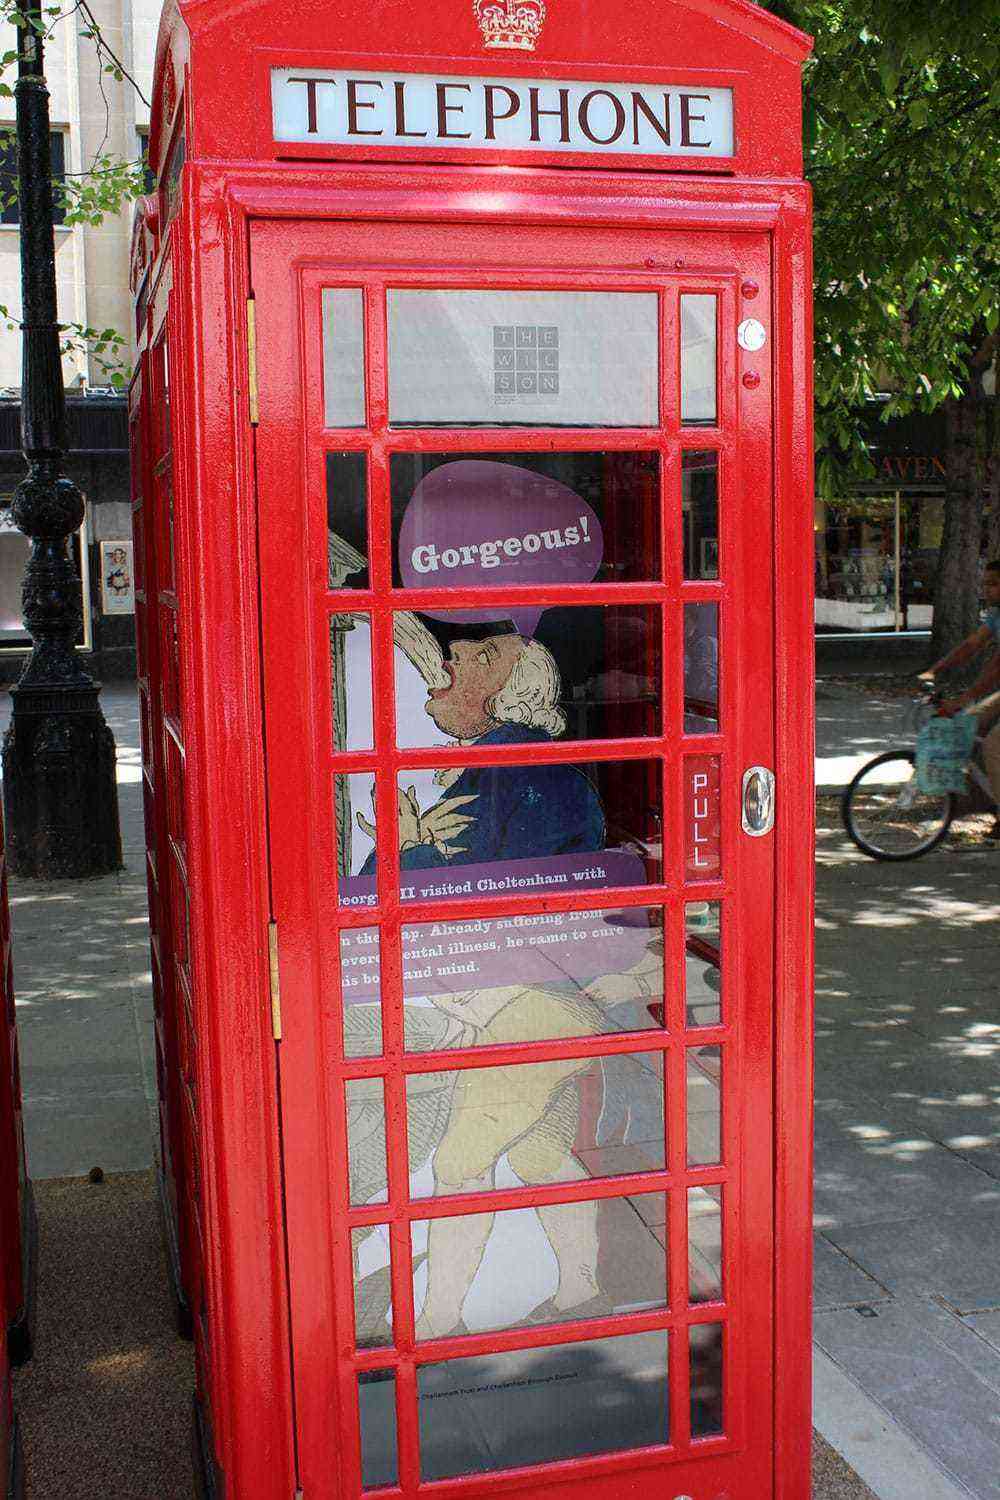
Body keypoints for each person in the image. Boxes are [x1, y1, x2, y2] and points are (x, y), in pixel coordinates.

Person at [358, 631, 606, 870]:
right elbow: (368, 896)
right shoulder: (487, 774)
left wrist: (407, 846)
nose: (457, 647)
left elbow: (494, 890)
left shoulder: (543, 783)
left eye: (485, 657)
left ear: (510, 700)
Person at [921, 558, 1000, 839]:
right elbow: (971, 645)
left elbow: (995, 670)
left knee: (994, 742)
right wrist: (934, 670)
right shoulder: (995, 616)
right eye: (985, 584)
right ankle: (978, 801)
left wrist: (964, 697)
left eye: (994, 584)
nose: (987, 590)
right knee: (967, 724)